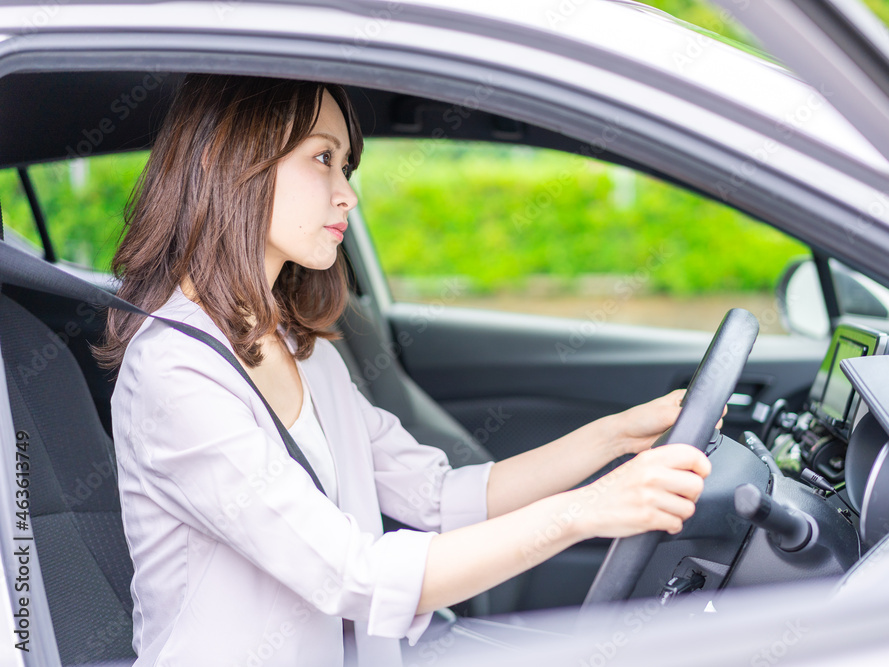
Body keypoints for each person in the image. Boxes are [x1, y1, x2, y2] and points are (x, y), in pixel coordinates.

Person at [95, 73, 713, 667]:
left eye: (347, 166)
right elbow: (352, 575)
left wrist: (614, 438)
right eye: (322, 159)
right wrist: (586, 511)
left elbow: (439, 496)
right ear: (226, 161)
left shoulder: (304, 352)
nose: (348, 194)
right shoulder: (174, 374)